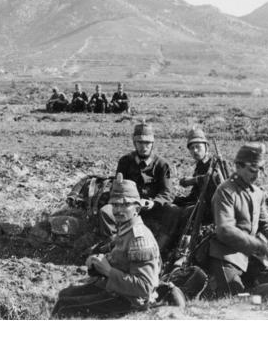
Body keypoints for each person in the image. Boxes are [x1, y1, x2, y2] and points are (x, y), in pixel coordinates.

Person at [52, 175, 160, 318]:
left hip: (130, 300)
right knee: (64, 294)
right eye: (115, 205)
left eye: (125, 204)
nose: (118, 210)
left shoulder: (139, 239)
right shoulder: (125, 228)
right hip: (116, 289)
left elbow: (145, 288)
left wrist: (108, 271)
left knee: (64, 307)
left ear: (137, 208)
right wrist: (97, 260)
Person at [208, 142, 268, 297]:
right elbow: (225, 230)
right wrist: (260, 245)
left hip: (250, 256)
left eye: (260, 170)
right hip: (227, 256)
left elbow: (266, 225)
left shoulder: (258, 193)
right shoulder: (225, 191)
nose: (257, 175)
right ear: (238, 167)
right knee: (234, 295)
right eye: (252, 170)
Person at [96, 123, 177, 251]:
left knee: (173, 211)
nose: (144, 147)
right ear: (134, 143)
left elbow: (167, 192)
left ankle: (160, 249)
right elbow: (117, 188)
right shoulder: (125, 161)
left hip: (151, 207)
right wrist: (125, 203)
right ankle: (113, 247)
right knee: (106, 212)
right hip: (128, 206)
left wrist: (153, 202)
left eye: (147, 143)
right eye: (140, 142)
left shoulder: (162, 164)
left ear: (152, 143)